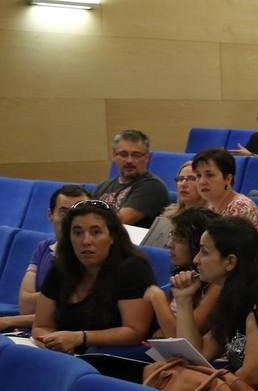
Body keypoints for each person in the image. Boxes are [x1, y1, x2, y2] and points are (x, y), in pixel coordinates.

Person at [167, 216, 258, 387]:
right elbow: (200, 355)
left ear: (230, 261)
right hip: (235, 386)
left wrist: (203, 388)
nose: (196, 260)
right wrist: (183, 300)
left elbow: (254, 375)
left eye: (204, 252)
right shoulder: (232, 291)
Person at [32, 199, 156, 353]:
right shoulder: (61, 267)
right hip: (67, 356)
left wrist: (80, 338)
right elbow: (41, 325)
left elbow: (135, 331)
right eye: (77, 233)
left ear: (112, 237)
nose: (86, 241)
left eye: (96, 232)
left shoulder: (133, 268)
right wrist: (51, 344)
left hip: (114, 357)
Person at [0, 185, 89, 331]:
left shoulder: (90, 256)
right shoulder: (44, 247)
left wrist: (8, 321)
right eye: (63, 212)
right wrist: (57, 300)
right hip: (32, 331)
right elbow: (25, 305)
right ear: (50, 214)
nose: (70, 219)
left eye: (78, 212)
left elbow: (71, 313)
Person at [144, 207, 218, 339]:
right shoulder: (183, 270)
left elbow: (181, 337)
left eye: (179, 240)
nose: (169, 244)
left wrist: (158, 298)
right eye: (171, 235)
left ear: (198, 244)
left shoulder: (217, 286)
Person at [94, 130, 170, 226]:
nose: (129, 160)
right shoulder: (102, 186)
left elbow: (118, 223)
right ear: (113, 156)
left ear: (147, 157)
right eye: (123, 154)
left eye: (136, 155)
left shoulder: (153, 187)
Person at [193, 148, 258, 234]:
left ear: (228, 179)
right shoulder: (209, 205)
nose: (201, 182)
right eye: (198, 175)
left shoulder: (241, 209)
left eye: (210, 175)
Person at [142, 161, 208, 248]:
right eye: (180, 179)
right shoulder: (168, 214)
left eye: (192, 178)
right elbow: (151, 246)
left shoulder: (208, 220)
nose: (183, 184)